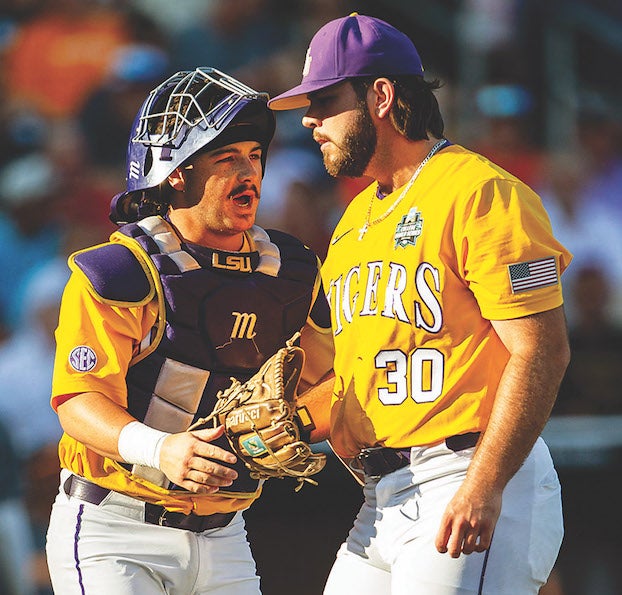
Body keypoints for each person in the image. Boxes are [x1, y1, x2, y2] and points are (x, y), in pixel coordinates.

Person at [269, 13, 572, 594]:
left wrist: (484, 486)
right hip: (378, 498)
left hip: (467, 470)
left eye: (325, 100)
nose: (310, 119)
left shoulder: (479, 192)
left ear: (380, 96)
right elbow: (337, 368)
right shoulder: (355, 218)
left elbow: (542, 352)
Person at [45, 67, 334, 594]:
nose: (248, 172)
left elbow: (332, 382)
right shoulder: (120, 270)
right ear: (177, 173)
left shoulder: (293, 271)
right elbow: (78, 401)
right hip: (115, 527)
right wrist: (162, 448)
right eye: (226, 159)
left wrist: (300, 421)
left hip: (225, 533)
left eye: (254, 155)